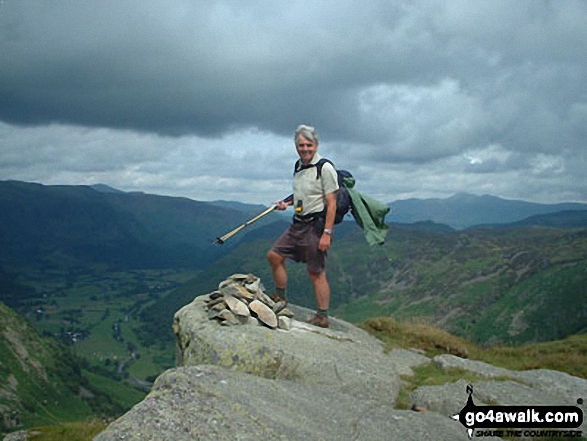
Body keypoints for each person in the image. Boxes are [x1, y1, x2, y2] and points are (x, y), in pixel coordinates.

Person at [267, 124, 339, 328]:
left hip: (315, 226)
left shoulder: (324, 168)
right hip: (297, 224)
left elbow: (332, 202)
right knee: (274, 255)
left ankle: (322, 316)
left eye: (309, 145)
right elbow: (301, 193)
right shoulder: (298, 165)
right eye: (301, 145)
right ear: (296, 146)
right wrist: (286, 203)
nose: (305, 149)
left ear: (316, 145)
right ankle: (280, 297)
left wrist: (327, 233)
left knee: (316, 272)